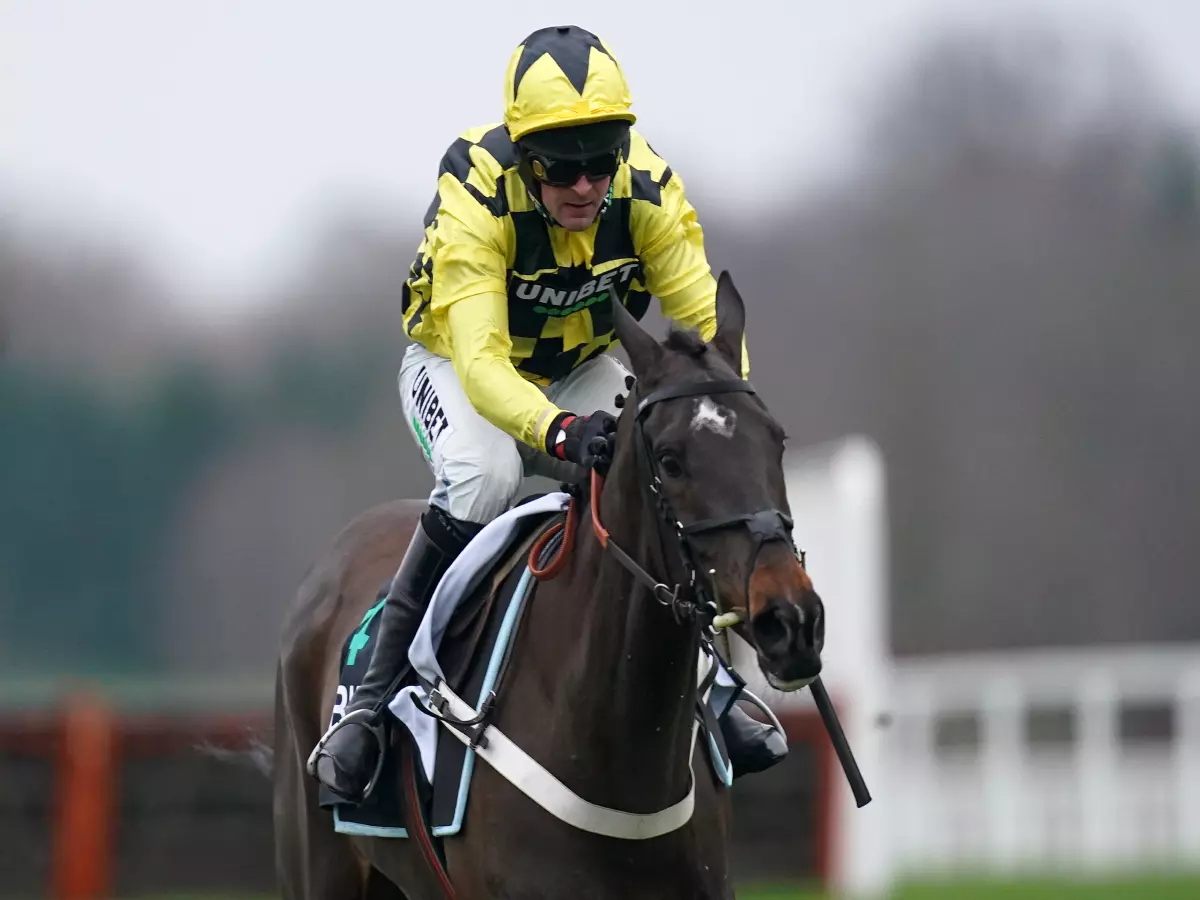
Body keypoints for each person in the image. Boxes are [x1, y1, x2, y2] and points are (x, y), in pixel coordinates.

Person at [311, 24, 787, 804]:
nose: (585, 185)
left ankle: (713, 684)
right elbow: (484, 366)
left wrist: (719, 428)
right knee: (485, 476)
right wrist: (561, 433)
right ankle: (366, 706)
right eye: (562, 166)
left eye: (600, 160)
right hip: (462, 368)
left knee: (666, 475)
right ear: (524, 156)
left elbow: (707, 337)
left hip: (578, 367)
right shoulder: (476, 193)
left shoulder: (648, 190)